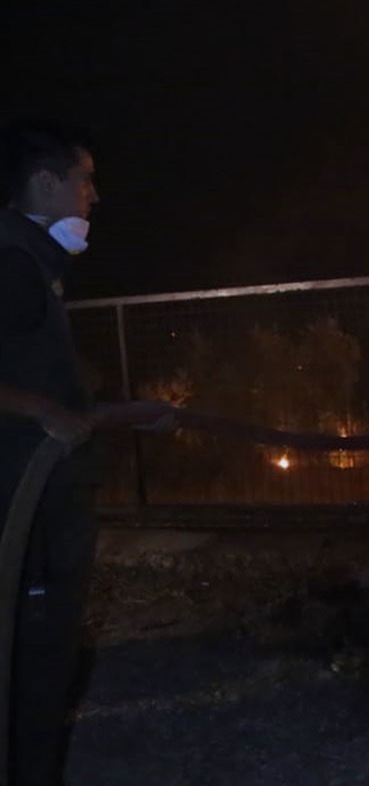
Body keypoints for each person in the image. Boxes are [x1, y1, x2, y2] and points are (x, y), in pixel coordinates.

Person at [0, 121, 101, 785]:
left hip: (44, 514)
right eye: (85, 179)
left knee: (45, 674)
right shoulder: (11, 261)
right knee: (33, 680)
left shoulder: (32, 262)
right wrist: (44, 413)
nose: (95, 195)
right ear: (45, 181)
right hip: (23, 517)